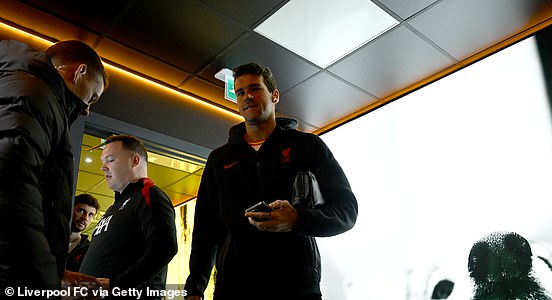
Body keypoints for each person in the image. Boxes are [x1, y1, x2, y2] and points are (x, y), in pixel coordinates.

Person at [183, 63, 358, 300]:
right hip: (234, 289)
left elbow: (346, 210)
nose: (248, 97)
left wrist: (298, 219)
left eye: (255, 89)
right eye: (241, 92)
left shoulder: (308, 147)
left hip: (296, 288)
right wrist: (194, 288)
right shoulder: (219, 159)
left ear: (274, 95)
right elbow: (206, 229)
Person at [0, 39, 108, 290]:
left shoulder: (23, 88)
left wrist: (56, 273)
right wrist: (43, 283)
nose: (87, 110)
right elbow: (10, 190)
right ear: (80, 72)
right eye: (92, 97)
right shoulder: (33, 95)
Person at [80, 135, 178, 298]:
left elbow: (165, 246)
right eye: (103, 161)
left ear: (134, 161)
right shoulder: (114, 208)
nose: (103, 167)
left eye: (110, 160)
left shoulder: (149, 194)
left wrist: (117, 284)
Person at [66, 193, 100, 272]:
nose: (85, 218)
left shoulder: (89, 250)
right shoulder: (47, 238)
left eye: (90, 215)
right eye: (81, 211)